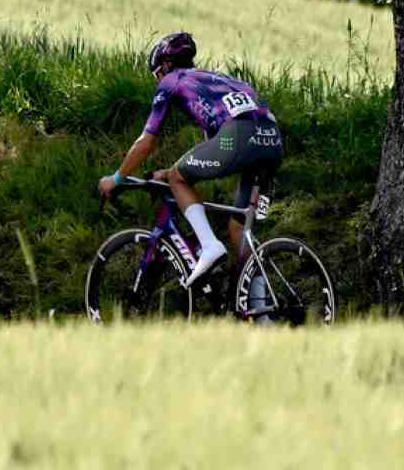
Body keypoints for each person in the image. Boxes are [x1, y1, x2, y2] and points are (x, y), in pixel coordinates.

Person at [97, 32, 285, 287]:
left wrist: (116, 178)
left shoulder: (172, 80)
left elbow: (147, 142)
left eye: (156, 75)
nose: (158, 81)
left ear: (164, 65)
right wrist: (167, 171)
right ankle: (261, 310)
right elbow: (211, 150)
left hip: (238, 137)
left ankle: (209, 246)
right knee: (240, 230)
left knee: (178, 177)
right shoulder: (218, 80)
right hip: (272, 141)